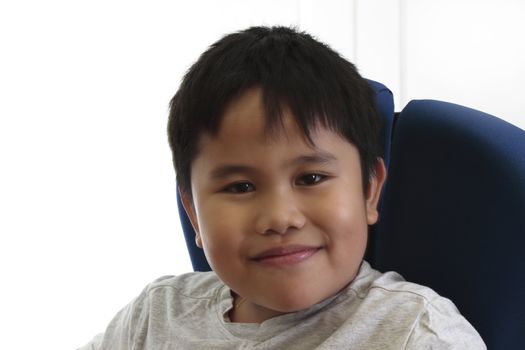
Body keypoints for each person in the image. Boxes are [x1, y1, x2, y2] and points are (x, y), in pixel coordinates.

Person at [79, 26, 486, 349]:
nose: (279, 218)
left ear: (369, 190)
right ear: (192, 214)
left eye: (310, 178)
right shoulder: (155, 318)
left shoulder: (418, 334)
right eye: (240, 186)